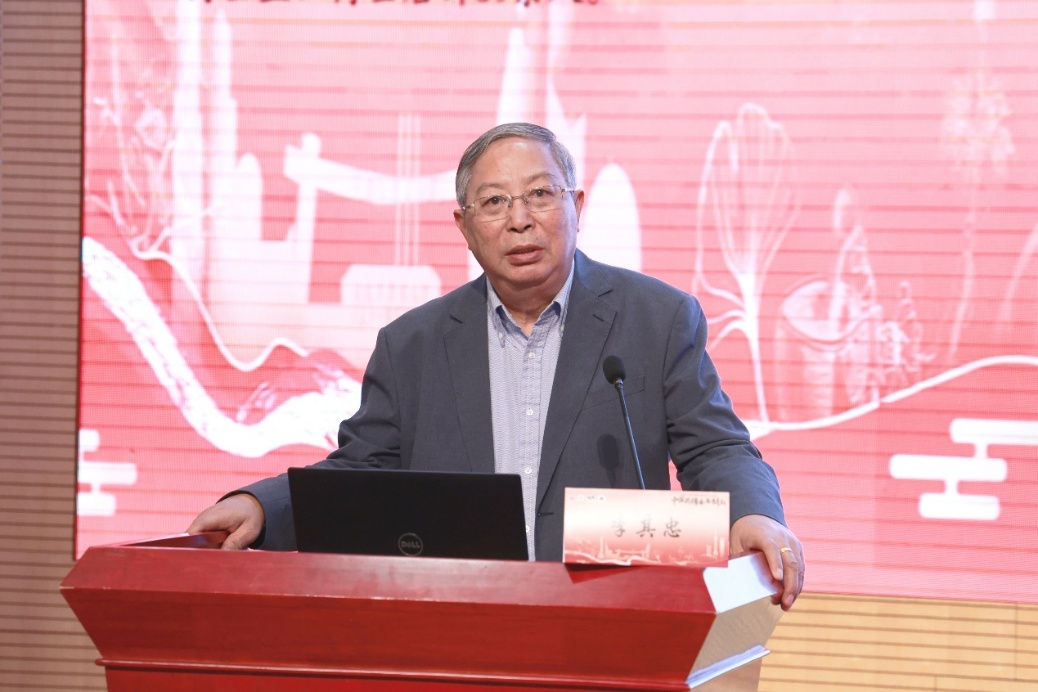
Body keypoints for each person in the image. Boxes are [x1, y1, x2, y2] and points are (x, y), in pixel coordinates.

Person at [188, 122, 805, 610]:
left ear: (576, 204)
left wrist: (752, 515)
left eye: (540, 194)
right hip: (462, 621)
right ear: (464, 226)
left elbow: (715, 448)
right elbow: (360, 472)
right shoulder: (412, 345)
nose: (519, 219)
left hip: (612, 617)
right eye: (494, 202)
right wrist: (265, 506)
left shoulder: (657, 319)